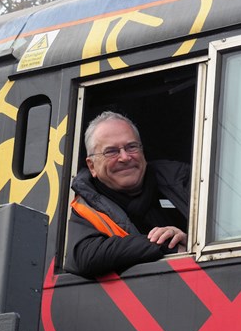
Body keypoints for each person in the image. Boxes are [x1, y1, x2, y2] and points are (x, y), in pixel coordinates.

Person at [64, 111, 189, 277]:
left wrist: (188, 240)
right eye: (111, 151)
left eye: (131, 147)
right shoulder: (86, 207)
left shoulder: (184, 181)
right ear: (92, 166)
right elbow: (85, 255)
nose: (124, 157)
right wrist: (164, 245)